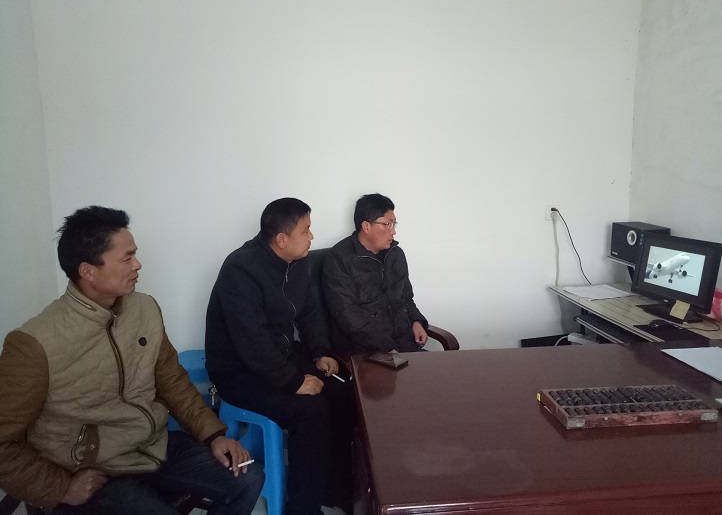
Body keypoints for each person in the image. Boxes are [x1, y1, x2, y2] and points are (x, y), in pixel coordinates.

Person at [0, 206, 264, 515]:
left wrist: (214, 435)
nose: (138, 265)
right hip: (97, 472)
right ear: (88, 271)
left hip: (152, 448)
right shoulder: (34, 343)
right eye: (127, 258)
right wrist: (60, 487)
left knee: (247, 478)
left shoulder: (144, 309)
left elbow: (171, 381)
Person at [205, 198, 353, 515]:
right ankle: (303, 508)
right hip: (239, 372)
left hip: (280, 357)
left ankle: (334, 488)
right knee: (312, 411)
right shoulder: (240, 270)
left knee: (344, 390)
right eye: (306, 230)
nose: (312, 237)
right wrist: (293, 381)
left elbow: (310, 312)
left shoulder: (298, 262)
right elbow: (251, 342)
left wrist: (320, 352)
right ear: (282, 239)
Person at [322, 193, 429, 354]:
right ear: (366, 226)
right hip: (366, 349)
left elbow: (406, 297)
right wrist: (387, 347)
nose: (393, 232)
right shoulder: (338, 259)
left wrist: (416, 321)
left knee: (441, 368)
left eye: (394, 224)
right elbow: (348, 315)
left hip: (403, 342)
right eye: (387, 224)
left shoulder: (395, 253)